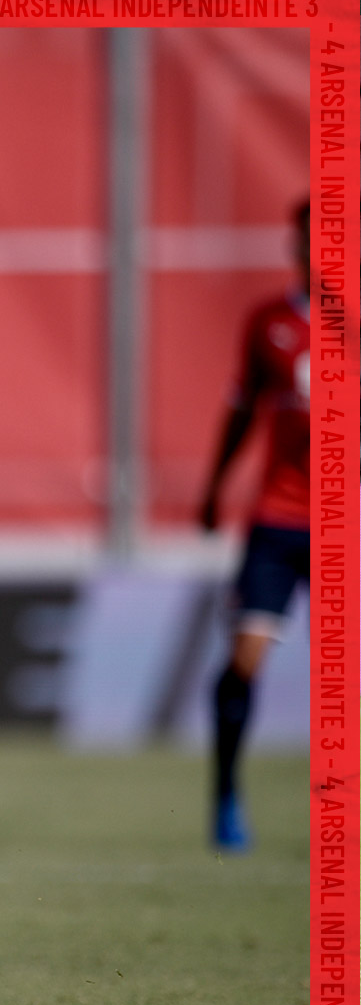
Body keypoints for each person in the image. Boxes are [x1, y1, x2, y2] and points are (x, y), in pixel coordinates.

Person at [196, 200, 312, 852]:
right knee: (241, 663)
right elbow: (241, 412)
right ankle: (226, 797)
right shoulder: (268, 322)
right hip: (276, 518)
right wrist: (215, 488)